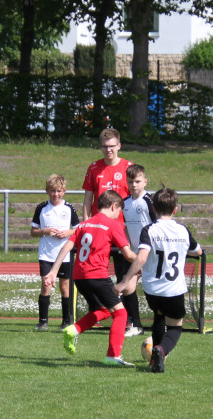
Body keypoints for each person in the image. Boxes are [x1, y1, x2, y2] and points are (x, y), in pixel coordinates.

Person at [43, 191, 137, 367]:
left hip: (79, 276)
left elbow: (67, 247)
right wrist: (143, 261)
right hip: (98, 275)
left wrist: (54, 271)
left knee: (103, 311)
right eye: (119, 212)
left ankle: (74, 329)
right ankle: (112, 356)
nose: (119, 216)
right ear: (114, 206)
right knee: (121, 313)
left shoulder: (83, 225)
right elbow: (128, 254)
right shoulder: (112, 225)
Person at [115, 187, 202, 373]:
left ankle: (154, 360)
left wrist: (124, 281)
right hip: (174, 289)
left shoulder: (149, 230)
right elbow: (197, 251)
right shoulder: (182, 230)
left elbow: (141, 257)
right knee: (176, 327)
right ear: (175, 209)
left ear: (153, 208)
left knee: (159, 316)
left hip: (152, 289)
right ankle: (161, 350)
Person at [81, 127, 136, 329]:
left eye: (112, 146)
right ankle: (95, 315)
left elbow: (133, 199)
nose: (108, 150)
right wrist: (86, 224)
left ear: (119, 146)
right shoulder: (94, 167)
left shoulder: (128, 167)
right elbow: (88, 199)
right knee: (94, 273)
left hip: (120, 231)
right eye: (105, 147)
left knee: (124, 276)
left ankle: (129, 320)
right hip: (97, 232)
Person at [30, 174, 79, 331]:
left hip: (64, 255)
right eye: (52, 191)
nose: (55, 194)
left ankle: (66, 321)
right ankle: (43, 321)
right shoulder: (42, 208)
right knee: (46, 285)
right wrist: (44, 231)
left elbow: (78, 230)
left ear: (64, 191)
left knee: (65, 288)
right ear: (47, 191)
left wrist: (67, 233)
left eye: (58, 191)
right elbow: (33, 231)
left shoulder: (69, 208)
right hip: (46, 254)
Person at [120, 164, 158, 337]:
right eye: (131, 182)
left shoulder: (149, 201)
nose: (134, 185)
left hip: (152, 253)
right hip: (135, 254)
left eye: (137, 181)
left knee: (155, 289)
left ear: (145, 181)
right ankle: (136, 324)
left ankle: (161, 324)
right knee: (128, 288)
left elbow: (157, 225)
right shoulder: (125, 203)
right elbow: (126, 227)